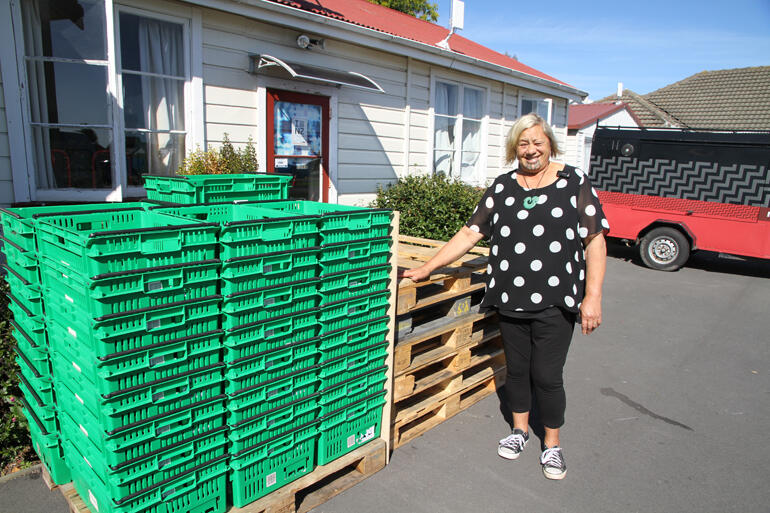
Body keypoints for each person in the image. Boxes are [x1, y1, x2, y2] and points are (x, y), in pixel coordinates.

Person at [402, 113, 608, 480]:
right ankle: (519, 431)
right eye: (523, 144)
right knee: (516, 370)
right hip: (510, 297)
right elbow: (470, 234)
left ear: (550, 145)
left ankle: (553, 444)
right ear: (515, 148)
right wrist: (427, 268)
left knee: (547, 375)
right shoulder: (502, 187)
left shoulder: (573, 181)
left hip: (556, 300)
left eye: (537, 143)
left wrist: (592, 296)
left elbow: (594, 240)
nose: (531, 151)